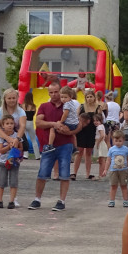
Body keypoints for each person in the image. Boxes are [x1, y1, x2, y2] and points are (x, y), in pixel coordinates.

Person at [30, 81, 77, 212]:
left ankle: (61, 201)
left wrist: (70, 132)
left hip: (65, 143)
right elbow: (38, 122)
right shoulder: (44, 106)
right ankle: (37, 199)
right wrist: (53, 124)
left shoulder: (68, 105)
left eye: (56, 92)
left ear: (61, 91)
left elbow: (78, 123)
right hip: (48, 145)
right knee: (42, 172)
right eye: (51, 92)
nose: (54, 94)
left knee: (64, 173)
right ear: (48, 92)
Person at [73, 90, 102, 180]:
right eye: (87, 97)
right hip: (81, 130)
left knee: (89, 152)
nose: (89, 99)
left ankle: (88, 173)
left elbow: (100, 119)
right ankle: (74, 173)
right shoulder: (81, 107)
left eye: (91, 96)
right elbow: (76, 117)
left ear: (94, 97)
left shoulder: (98, 107)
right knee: (80, 151)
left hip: (92, 131)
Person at [0, 116, 22, 209]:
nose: (10, 126)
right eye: (7, 124)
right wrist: (9, 147)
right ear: (3, 125)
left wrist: (16, 147)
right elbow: (1, 150)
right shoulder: (0, 136)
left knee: (13, 182)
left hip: (14, 162)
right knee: (1, 182)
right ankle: (0, 200)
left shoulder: (17, 135)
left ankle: (11, 201)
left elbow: (21, 148)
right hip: (3, 161)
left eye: (11, 123)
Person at [107, 130, 128, 208]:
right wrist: (105, 169)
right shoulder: (111, 149)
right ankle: (112, 200)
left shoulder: (126, 149)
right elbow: (108, 160)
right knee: (113, 185)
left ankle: (125, 201)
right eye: (116, 141)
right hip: (113, 170)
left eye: (120, 141)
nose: (118, 142)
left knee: (124, 185)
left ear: (123, 140)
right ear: (113, 140)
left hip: (123, 170)